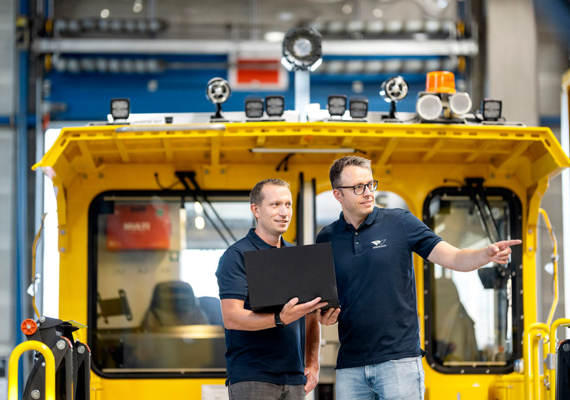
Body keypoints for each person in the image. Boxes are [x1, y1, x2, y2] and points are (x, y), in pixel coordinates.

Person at [315, 156, 521, 400]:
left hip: (398, 363)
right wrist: (324, 315)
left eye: (371, 184)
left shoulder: (400, 223)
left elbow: (454, 257)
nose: (368, 192)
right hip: (350, 366)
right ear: (338, 194)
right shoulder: (326, 238)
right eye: (358, 187)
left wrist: (485, 254)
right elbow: (325, 296)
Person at [216, 178, 335, 400]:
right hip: (252, 378)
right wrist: (280, 318)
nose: (284, 212)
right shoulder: (236, 256)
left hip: (294, 379)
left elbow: (310, 315)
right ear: (256, 210)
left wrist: (312, 362)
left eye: (288, 204)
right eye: (275, 205)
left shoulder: (298, 256)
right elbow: (231, 317)